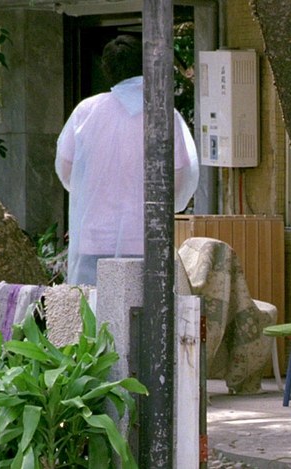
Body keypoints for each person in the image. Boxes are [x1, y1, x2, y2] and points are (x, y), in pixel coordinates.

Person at [55, 35, 199, 285]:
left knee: (93, 305)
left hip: (93, 237)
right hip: (146, 238)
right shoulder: (162, 113)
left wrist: (92, 191)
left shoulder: (86, 111)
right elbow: (181, 175)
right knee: (145, 308)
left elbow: (66, 168)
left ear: (107, 69)